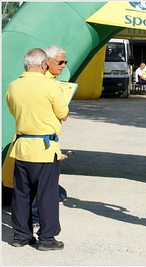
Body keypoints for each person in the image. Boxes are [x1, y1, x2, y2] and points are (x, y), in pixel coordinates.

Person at [6, 48, 69, 251]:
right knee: (47, 195)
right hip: (44, 148)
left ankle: (21, 235)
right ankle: (47, 239)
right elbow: (63, 113)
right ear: (44, 65)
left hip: (22, 147)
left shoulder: (13, 86)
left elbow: (13, 110)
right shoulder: (50, 87)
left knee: (21, 194)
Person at [29, 45, 69, 234]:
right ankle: (41, 225)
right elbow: (62, 113)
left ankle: (26, 228)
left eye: (65, 62)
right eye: (60, 62)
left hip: (43, 140)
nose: (63, 66)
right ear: (47, 62)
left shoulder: (50, 81)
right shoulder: (47, 83)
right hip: (41, 141)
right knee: (44, 185)